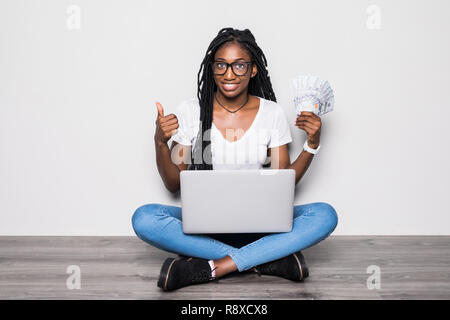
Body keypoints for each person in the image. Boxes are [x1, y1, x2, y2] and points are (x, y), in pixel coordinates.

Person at [132, 27, 338, 291]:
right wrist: (159, 142)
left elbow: (284, 181)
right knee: (145, 218)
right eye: (221, 65)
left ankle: (214, 266)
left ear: (253, 70)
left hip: (262, 226)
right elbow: (173, 183)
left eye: (239, 65)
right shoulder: (191, 111)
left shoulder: (271, 113)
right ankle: (266, 260)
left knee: (324, 215)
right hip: (205, 227)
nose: (229, 74)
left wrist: (312, 144)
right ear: (212, 68)